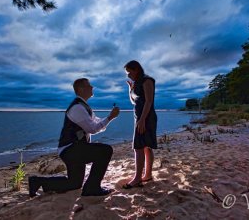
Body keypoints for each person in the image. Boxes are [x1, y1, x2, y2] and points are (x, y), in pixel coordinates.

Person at [28, 78, 120, 197]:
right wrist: (110, 118)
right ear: (81, 89)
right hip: (70, 150)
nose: (92, 87)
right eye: (89, 85)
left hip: (73, 149)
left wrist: (109, 117)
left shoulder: (84, 107)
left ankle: (38, 181)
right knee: (105, 151)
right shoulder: (77, 108)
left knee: (74, 183)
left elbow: (96, 124)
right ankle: (92, 188)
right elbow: (92, 129)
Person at [123, 60, 157, 188]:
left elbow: (149, 101)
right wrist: (130, 89)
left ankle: (138, 178)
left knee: (139, 146)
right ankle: (147, 175)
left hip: (146, 118)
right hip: (139, 117)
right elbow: (134, 101)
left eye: (129, 72)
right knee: (145, 146)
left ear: (136, 69)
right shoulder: (136, 84)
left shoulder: (147, 80)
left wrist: (142, 119)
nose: (128, 75)